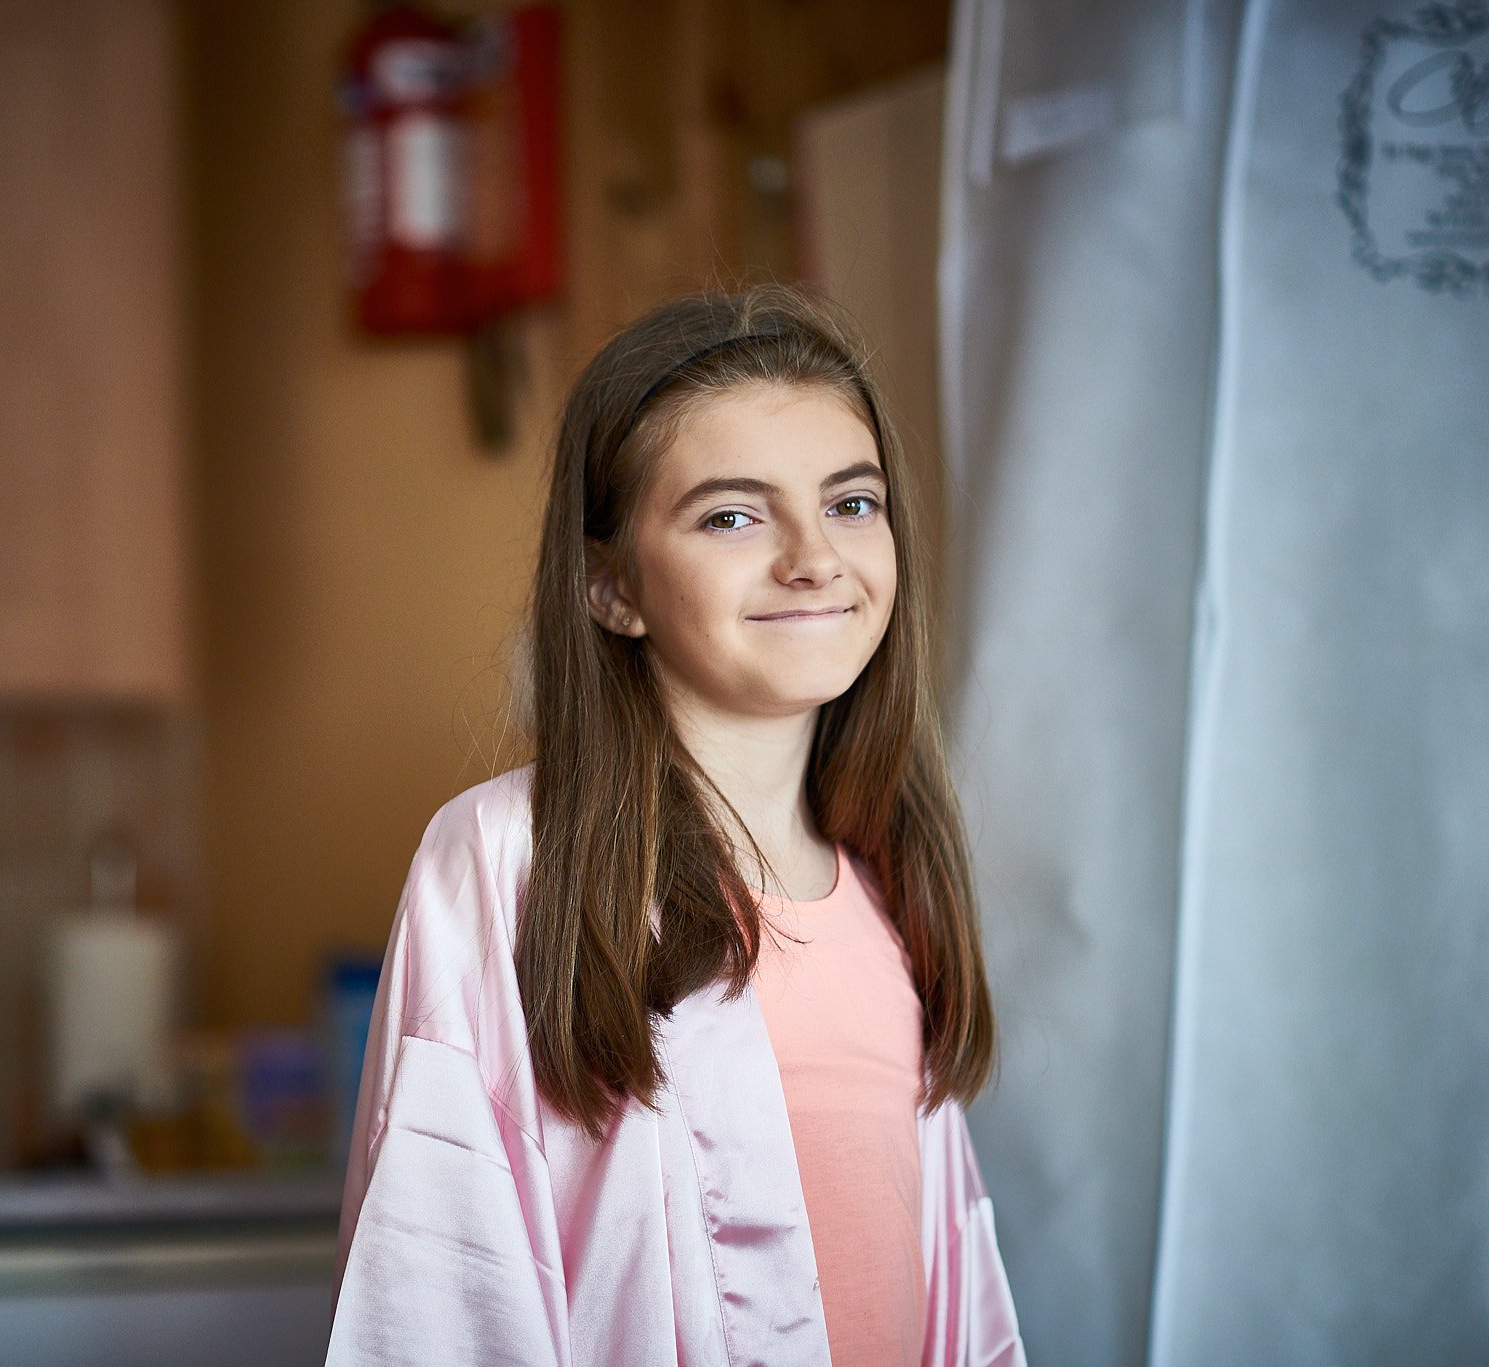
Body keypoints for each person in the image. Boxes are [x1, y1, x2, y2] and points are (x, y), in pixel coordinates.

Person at [325, 284, 1026, 1367]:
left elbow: (953, 1297)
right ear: (611, 585)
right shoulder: (506, 860)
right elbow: (436, 1284)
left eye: (850, 502)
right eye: (731, 515)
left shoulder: (891, 880)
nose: (812, 556)